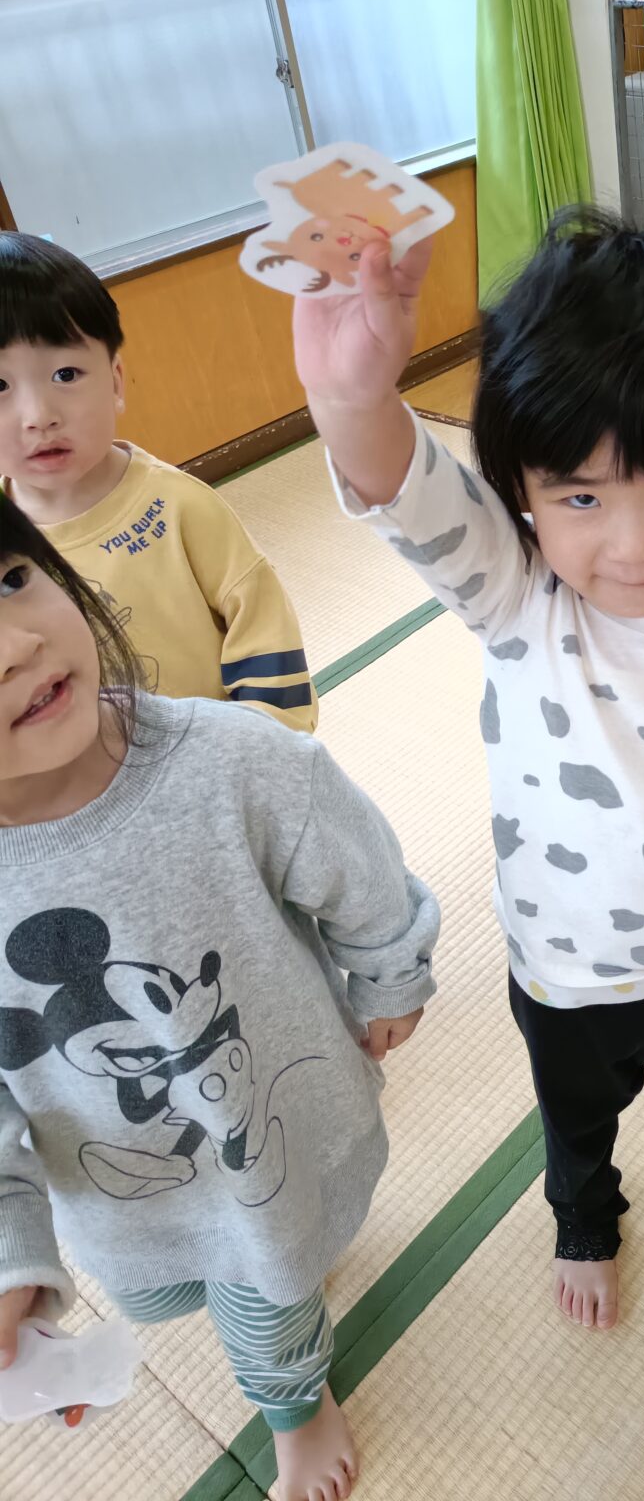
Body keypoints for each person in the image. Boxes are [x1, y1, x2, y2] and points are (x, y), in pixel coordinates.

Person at [293, 208, 644, 1331]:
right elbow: (405, 489)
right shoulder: (517, 593)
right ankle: (585, 1219)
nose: (629, 544)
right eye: (579, 497)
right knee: (575, 1125)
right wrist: (352, 396)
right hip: (561, 969)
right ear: (525, 493)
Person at [0, 493, 439, 1501]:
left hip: (267, 1132)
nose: (15, 646)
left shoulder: (228, 759)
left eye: (11, 578)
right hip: (117, 1194)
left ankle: (296, 1406)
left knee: (267, 1295)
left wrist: (391, 975)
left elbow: (360, 871)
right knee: (173, 1289)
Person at [0, 232, 317, 729]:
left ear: (116, 381)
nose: (39, 416)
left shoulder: (178, 505)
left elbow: (264, 633)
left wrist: (270, 748)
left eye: (65, 374)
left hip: (220, 758)